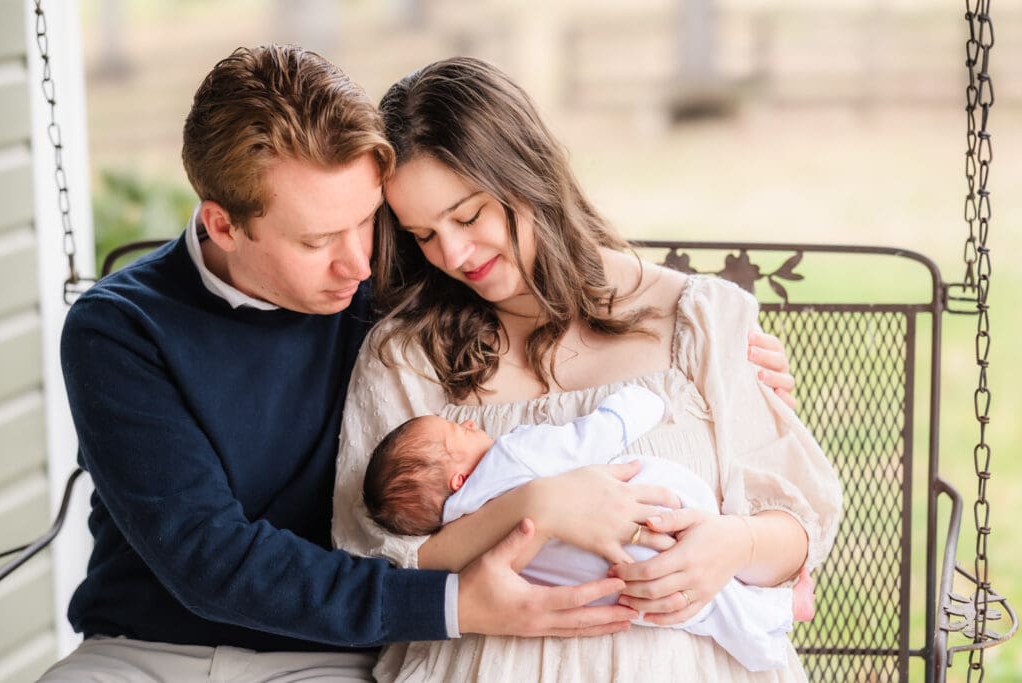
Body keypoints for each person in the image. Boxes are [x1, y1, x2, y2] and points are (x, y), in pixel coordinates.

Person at [330, 56, 842, 682]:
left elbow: (800, 522)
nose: (454, 254)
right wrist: (534, 507)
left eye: (467, 216)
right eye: (424, 235)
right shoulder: (407, 355)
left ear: (525, 173)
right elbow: (372, 567)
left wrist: (736, 544)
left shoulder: (700, 320)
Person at [362, 384, 817, 672]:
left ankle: (769, 620)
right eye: (454, 432)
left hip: (595, 588)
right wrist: (638, 405)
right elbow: (587, 440)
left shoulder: (463, 534)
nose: (467, 422)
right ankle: (772, 619)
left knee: (696, 608)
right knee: (689, 589)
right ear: (459, 480)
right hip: (638, 524)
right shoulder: (511, 456)